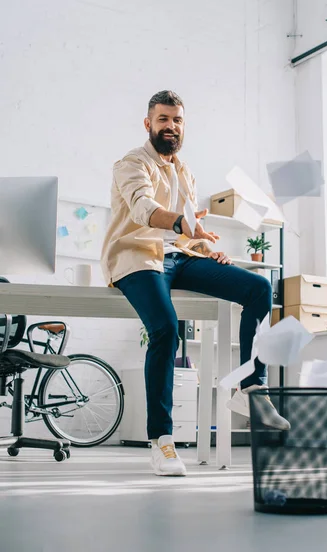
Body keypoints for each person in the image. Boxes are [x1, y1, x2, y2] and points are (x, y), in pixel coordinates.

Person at [101, 90, 290, 477]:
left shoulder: (184, 172)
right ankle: (162, 442)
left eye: (177, 120)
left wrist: (201, 242)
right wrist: (183, 224)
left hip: (181, 258)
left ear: (184, 125)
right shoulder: (131, 163)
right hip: (138, 256)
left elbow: (186, 229)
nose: (170, 126)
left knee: (259, 289)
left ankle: (251, 389)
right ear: (148, 124)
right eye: (163, 119)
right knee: (166, 330)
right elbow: (143, 208)